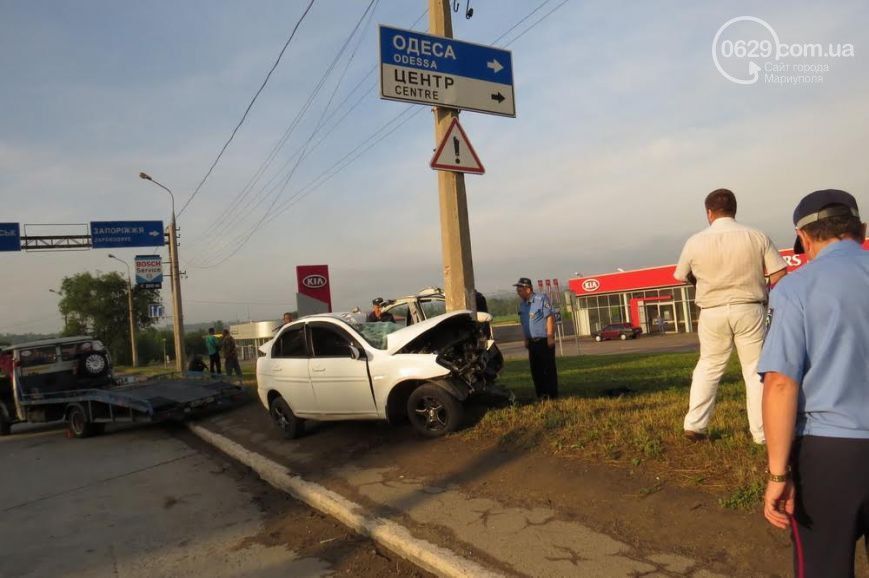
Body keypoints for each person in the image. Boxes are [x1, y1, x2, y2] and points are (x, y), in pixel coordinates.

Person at [758, 189, 868, 576]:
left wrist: (777, 473)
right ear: (862, 229)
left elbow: (781, 384)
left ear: (804, 238)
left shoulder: (794, 289)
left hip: (830, 455)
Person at [674, 189, 787, 444]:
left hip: (712, 311)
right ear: (735, 209)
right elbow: (780, 272)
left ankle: (695, 424)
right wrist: (762, 284)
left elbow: (680, 275)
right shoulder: (756, 236)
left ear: (709, 213)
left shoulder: (695, 241)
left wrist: (700, 281)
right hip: (750, 307)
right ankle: (760, 433)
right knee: (754, 370)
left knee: (709, 365)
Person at [515, 277, 558, 400]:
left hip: (544, 341)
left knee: (548, 369)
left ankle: (552, 395)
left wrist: (550, 336)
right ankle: (541, 394)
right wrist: (526, 339)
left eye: (520, 288)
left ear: (528, 289)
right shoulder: (522, 305)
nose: (518, 291)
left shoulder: (541, 299)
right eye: (517, 289)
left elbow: (549, 317)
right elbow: (524, 323)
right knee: (536, 370)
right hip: (532, 343)